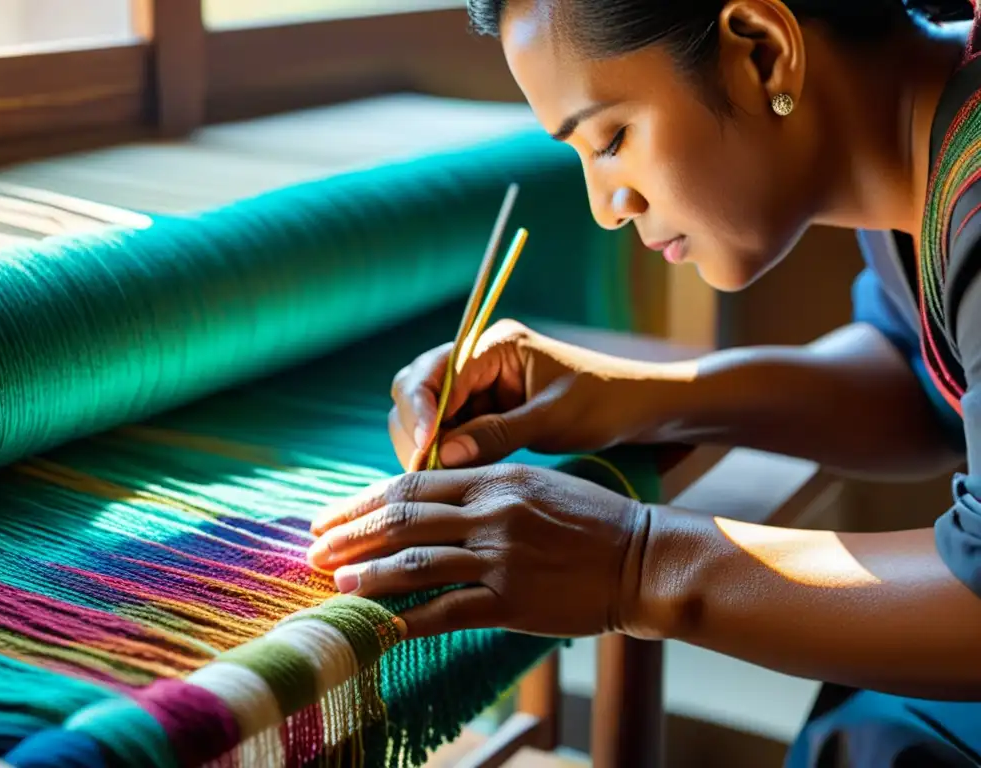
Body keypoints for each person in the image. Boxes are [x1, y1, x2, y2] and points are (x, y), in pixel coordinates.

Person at [308, 0, 981, 763]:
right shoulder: (930, 132)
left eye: (612, 138)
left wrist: (634, 563)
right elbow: (921, 380)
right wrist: (643, 395)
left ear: (762, 53)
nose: (606, 207)